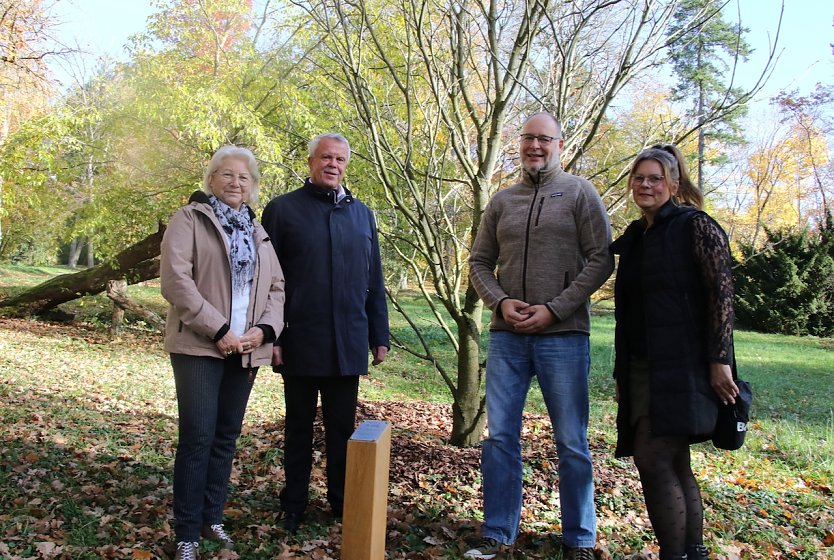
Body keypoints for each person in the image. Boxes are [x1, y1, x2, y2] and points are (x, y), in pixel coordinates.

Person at [467, 113, 614, 560]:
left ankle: (580, 539)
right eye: (528, 138)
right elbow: (478, 262)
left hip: (564, 337)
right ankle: (498, 532)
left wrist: (555, 308)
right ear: (520, 143)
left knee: (571, 440)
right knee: (500, 437)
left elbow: (601, 259)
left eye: (544, 139)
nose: (535, 146)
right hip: (509, 336)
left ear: (559, 144)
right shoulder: (502, 200)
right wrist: (500, 302)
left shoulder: (580, 193)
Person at [610, 145, 739, 560]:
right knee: (673, 462)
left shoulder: (695, 227)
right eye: (639, 177)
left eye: (655, 178)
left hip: (685, 366)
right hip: (643, 366)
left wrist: (719, 362)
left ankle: (675, 554)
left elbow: (721, 294)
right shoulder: (636, 236)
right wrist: (621, 375)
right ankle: (693, 553)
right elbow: (628, 312)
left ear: (674, 183)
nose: (646, 185)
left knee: (653, 459)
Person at [260, 132, 390, 534]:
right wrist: (272, 337)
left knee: (342, 430)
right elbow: (267, 280)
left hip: (347, 341)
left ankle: (341, 502)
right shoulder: (282, 210)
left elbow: (374, 279)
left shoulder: (362, 214)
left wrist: (379, 334)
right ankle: (294, 504)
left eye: (340, 160)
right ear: (311, 162)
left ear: (346, 166)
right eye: (325, 158)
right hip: (297, 339)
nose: (333, 165)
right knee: (298, 428)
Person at [160, 146, 285, 560]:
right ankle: (186, 534)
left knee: (225, 436)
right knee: (197, 437)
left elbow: (276, 289)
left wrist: (263, 331)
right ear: (211, 179)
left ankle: (211, 518)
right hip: (200, 344)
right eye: (227, 175)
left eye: (243, 178)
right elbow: (176, 281)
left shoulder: (257, 230)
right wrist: (219, 329)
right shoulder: (189, 220)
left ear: (252, 187)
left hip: (246, 349)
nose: (235, 183)